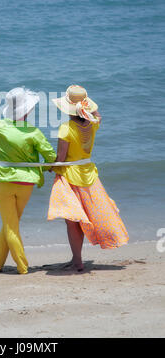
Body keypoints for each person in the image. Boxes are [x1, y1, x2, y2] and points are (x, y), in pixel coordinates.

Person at [47, 85, 129, 272]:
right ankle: (77, 260)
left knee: (72, 220)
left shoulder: (66, 128)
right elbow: (99, 116)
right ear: (86, 106)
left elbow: (61, 159)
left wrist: (50, 167)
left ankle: (77, 261)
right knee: (82, 218)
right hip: (89, 175)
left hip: (70, 177)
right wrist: (89, 107)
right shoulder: (93, 124)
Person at [0, 87, 56, 274]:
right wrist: (45, 167)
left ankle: (18, 266)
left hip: (2, 181)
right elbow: (50, 156)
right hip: (26, 184)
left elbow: (7, 128)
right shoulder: (34, 132)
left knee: (10, 224)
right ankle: (3, 264)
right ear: (26, 110)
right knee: (11, 223)